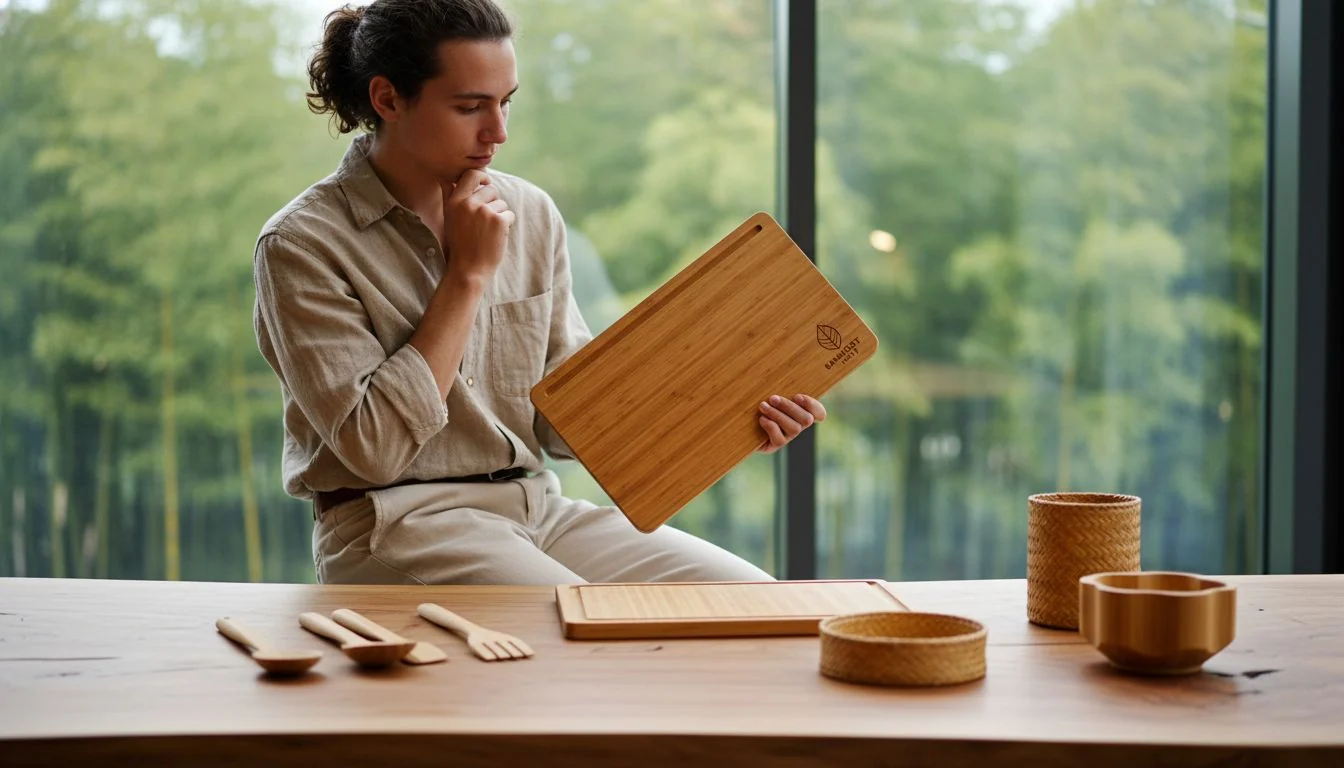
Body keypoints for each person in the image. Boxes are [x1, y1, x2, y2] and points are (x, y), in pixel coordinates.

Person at [251, 0, 828, 585]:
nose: (497, 132)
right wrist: (467, 276)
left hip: (538, 509)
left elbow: (570, 420)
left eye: (505, 103)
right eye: (469, 106)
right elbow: (372, 449)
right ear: (388, 99)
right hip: (395, 521)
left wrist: (728, 419)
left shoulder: (529, 212)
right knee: (577, 626)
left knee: (754, 600)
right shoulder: (302, 243)